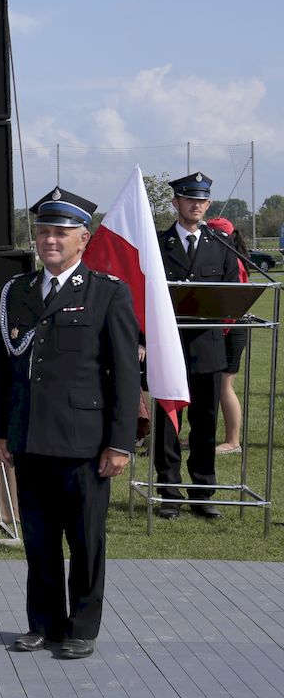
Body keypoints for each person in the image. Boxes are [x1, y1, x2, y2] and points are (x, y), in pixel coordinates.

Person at [0, 187, 140, 660]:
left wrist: (120, 443)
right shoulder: (17, 292)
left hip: (84, 444)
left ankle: (82, 628)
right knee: (39, 542)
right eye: (42, 232)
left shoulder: (107, 292)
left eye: (60, 232)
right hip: (30, 438)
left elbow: (125, 376)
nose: (49, 241)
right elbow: (5, 366)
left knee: (85, 542)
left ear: (83, 239)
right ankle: (44, 624)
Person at [155, 172, 239, 519]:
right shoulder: (158, 244)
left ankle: (203, 493)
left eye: (202, 200)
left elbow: (232, 292)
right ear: (176, 202)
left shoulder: (221, 244)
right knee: (168, 423)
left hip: (207, 347)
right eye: (190, 199)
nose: (196, 205)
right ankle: (169, 493)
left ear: (208, 204)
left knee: (205, 423)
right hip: (169, 347)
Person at [206, 216, 250, 455]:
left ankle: (233, 442)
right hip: (223, 328)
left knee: (225, 386)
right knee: (212, 386)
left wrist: (221, 331)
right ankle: (205, 435)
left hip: (231, 330)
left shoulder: (234, 262)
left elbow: (234, 303)